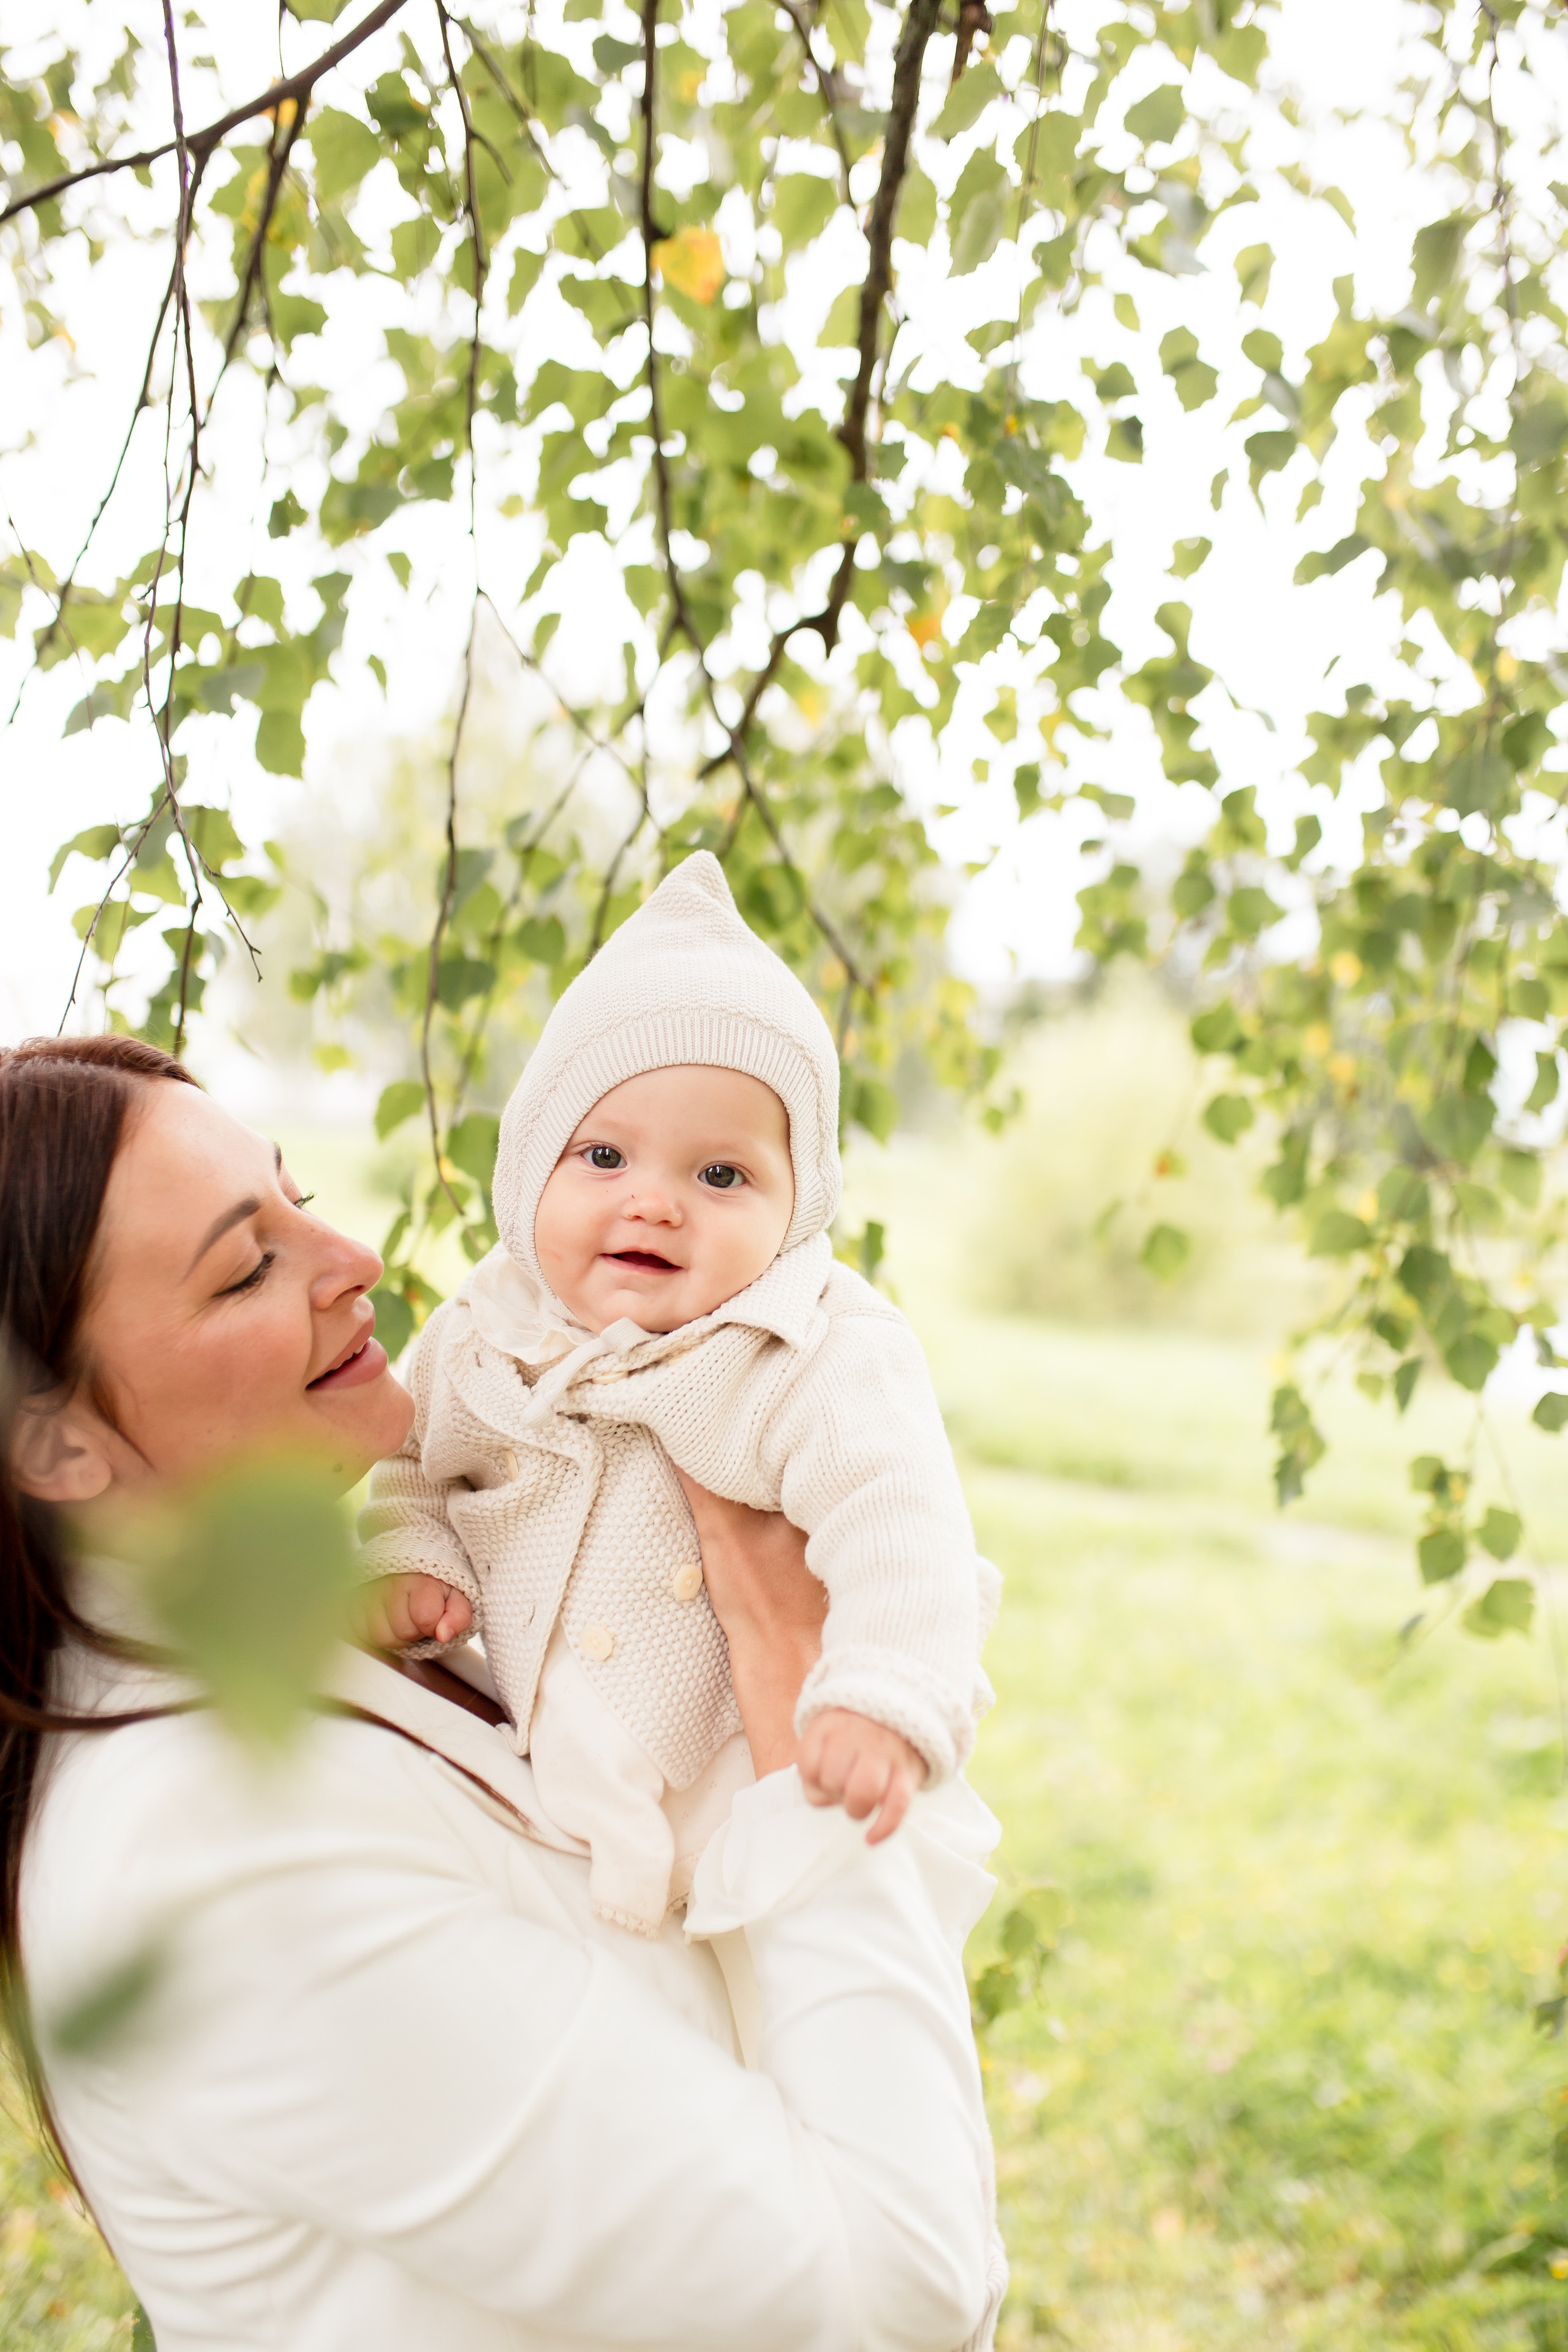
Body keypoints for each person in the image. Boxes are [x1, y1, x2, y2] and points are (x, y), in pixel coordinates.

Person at [1, 1033, 1007, 2352]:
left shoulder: (323, 1640)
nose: (352, 1259)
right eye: (248, 1264)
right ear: (59, 1442)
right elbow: (896, 2302)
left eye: (295, 1195)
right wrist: (795, 1716)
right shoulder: (206, 1861)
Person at [358, 852, 998, 1936]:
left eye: (721, 1176)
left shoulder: (806, 1348)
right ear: (527, 1176)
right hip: (550, 1812)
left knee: (796, 2054)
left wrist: (881, 1693)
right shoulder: (487, 1329)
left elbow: (902, 1524)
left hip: (767, 1799)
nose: (654, 1204)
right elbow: (410, 1465)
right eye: (603, 1156)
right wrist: (409, 1560)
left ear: (798, 1208)